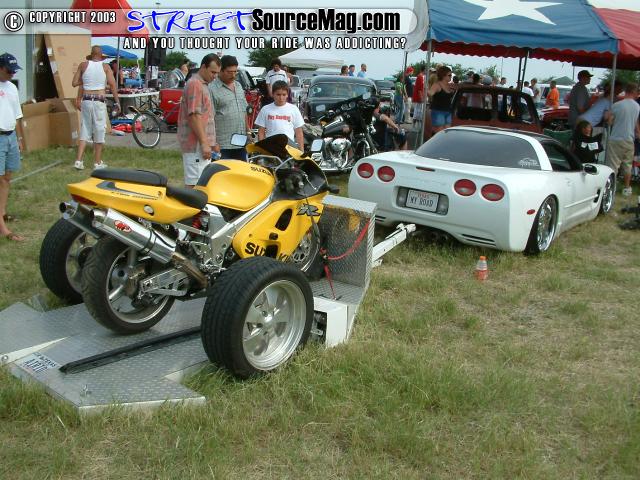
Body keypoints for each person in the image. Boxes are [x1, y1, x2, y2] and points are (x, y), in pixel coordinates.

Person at [72, 45, 120, 171]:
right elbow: (113, 85)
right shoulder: (105, 67)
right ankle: (97, 162)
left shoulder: (83, 65)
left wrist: (85, 80)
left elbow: (74, 83)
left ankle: (78, 161)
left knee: (85, 129)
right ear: (101, 55)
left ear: (91, 55)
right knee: (99, 130)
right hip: (99, 100)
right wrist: (117, 102)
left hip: (86, 100)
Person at [177, 53, 221, 187]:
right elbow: (194, 116)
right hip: (196, 146)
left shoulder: (203, 84)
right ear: (203, 67)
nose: (215, 76)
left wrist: (212, 142)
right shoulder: (195, 84)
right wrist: (204, 143)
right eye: (212, 72)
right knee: (195, 186)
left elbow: (206, 117)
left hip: (201, 145)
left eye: (217, 73)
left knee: (202, 184)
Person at [0, 53, 25, 242]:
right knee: (0, 180)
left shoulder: (12, 87)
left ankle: (2, 212)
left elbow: (17, 114)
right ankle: (3, 229)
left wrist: (19, 138)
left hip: (10, 137)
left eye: (14, 71)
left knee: (7, 178)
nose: (12, 74)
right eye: (9, 71)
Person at [209, 55, 250, 161]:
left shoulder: (238, 86)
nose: (233, 75)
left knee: (241, 171)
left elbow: (243, 111)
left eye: (235, 72)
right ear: (220, 71)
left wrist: (248, 132)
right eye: (229, 72)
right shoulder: (212, 89)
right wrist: (213, 142)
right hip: (223, 144)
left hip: (241, 142)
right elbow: (209, 119)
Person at [607, 82, 640, 197]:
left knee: (613, 165)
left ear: (626, 91)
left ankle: (612, 188)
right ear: (634, 92)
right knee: (627, 165)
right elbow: (635, 122)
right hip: (629, 139)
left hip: (616, 138)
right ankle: (626, 188)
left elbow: (609, 121)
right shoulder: (637, 106)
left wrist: (609, 117)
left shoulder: (617, 105)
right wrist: (638, 133)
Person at [255, 80, 304, 151]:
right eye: (278, 95)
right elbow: (261, 131)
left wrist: (301, 150)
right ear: (273, 94)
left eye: (284, 95)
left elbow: (298, 132)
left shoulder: (294, 109)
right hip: (271, 147)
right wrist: (261, 149)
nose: (281, 98)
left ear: (287, 95)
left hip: (289, 148)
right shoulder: (265, 109)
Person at [428, 65, 455, 134]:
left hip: (448, 111)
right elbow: (430, 93)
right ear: (443, 75)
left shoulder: (449, 85)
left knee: (447, 133)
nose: (451, 77)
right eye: (449, 75)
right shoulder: (437, 85)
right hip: (438, 111)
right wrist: (426, 90)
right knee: (439, 133)